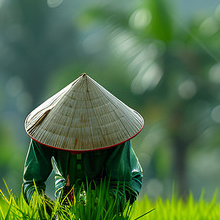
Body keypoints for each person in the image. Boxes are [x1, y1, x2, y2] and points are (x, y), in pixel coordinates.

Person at [22, 73, 144, 212]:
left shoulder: (115, 136)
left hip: (119, 180)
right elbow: (31, 182)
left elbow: (119, 186)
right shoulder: (47, 130)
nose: (77, 143)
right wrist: (41, 205)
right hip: (67, 176)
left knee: (102, 216)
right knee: (65, 214)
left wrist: (94, 210)